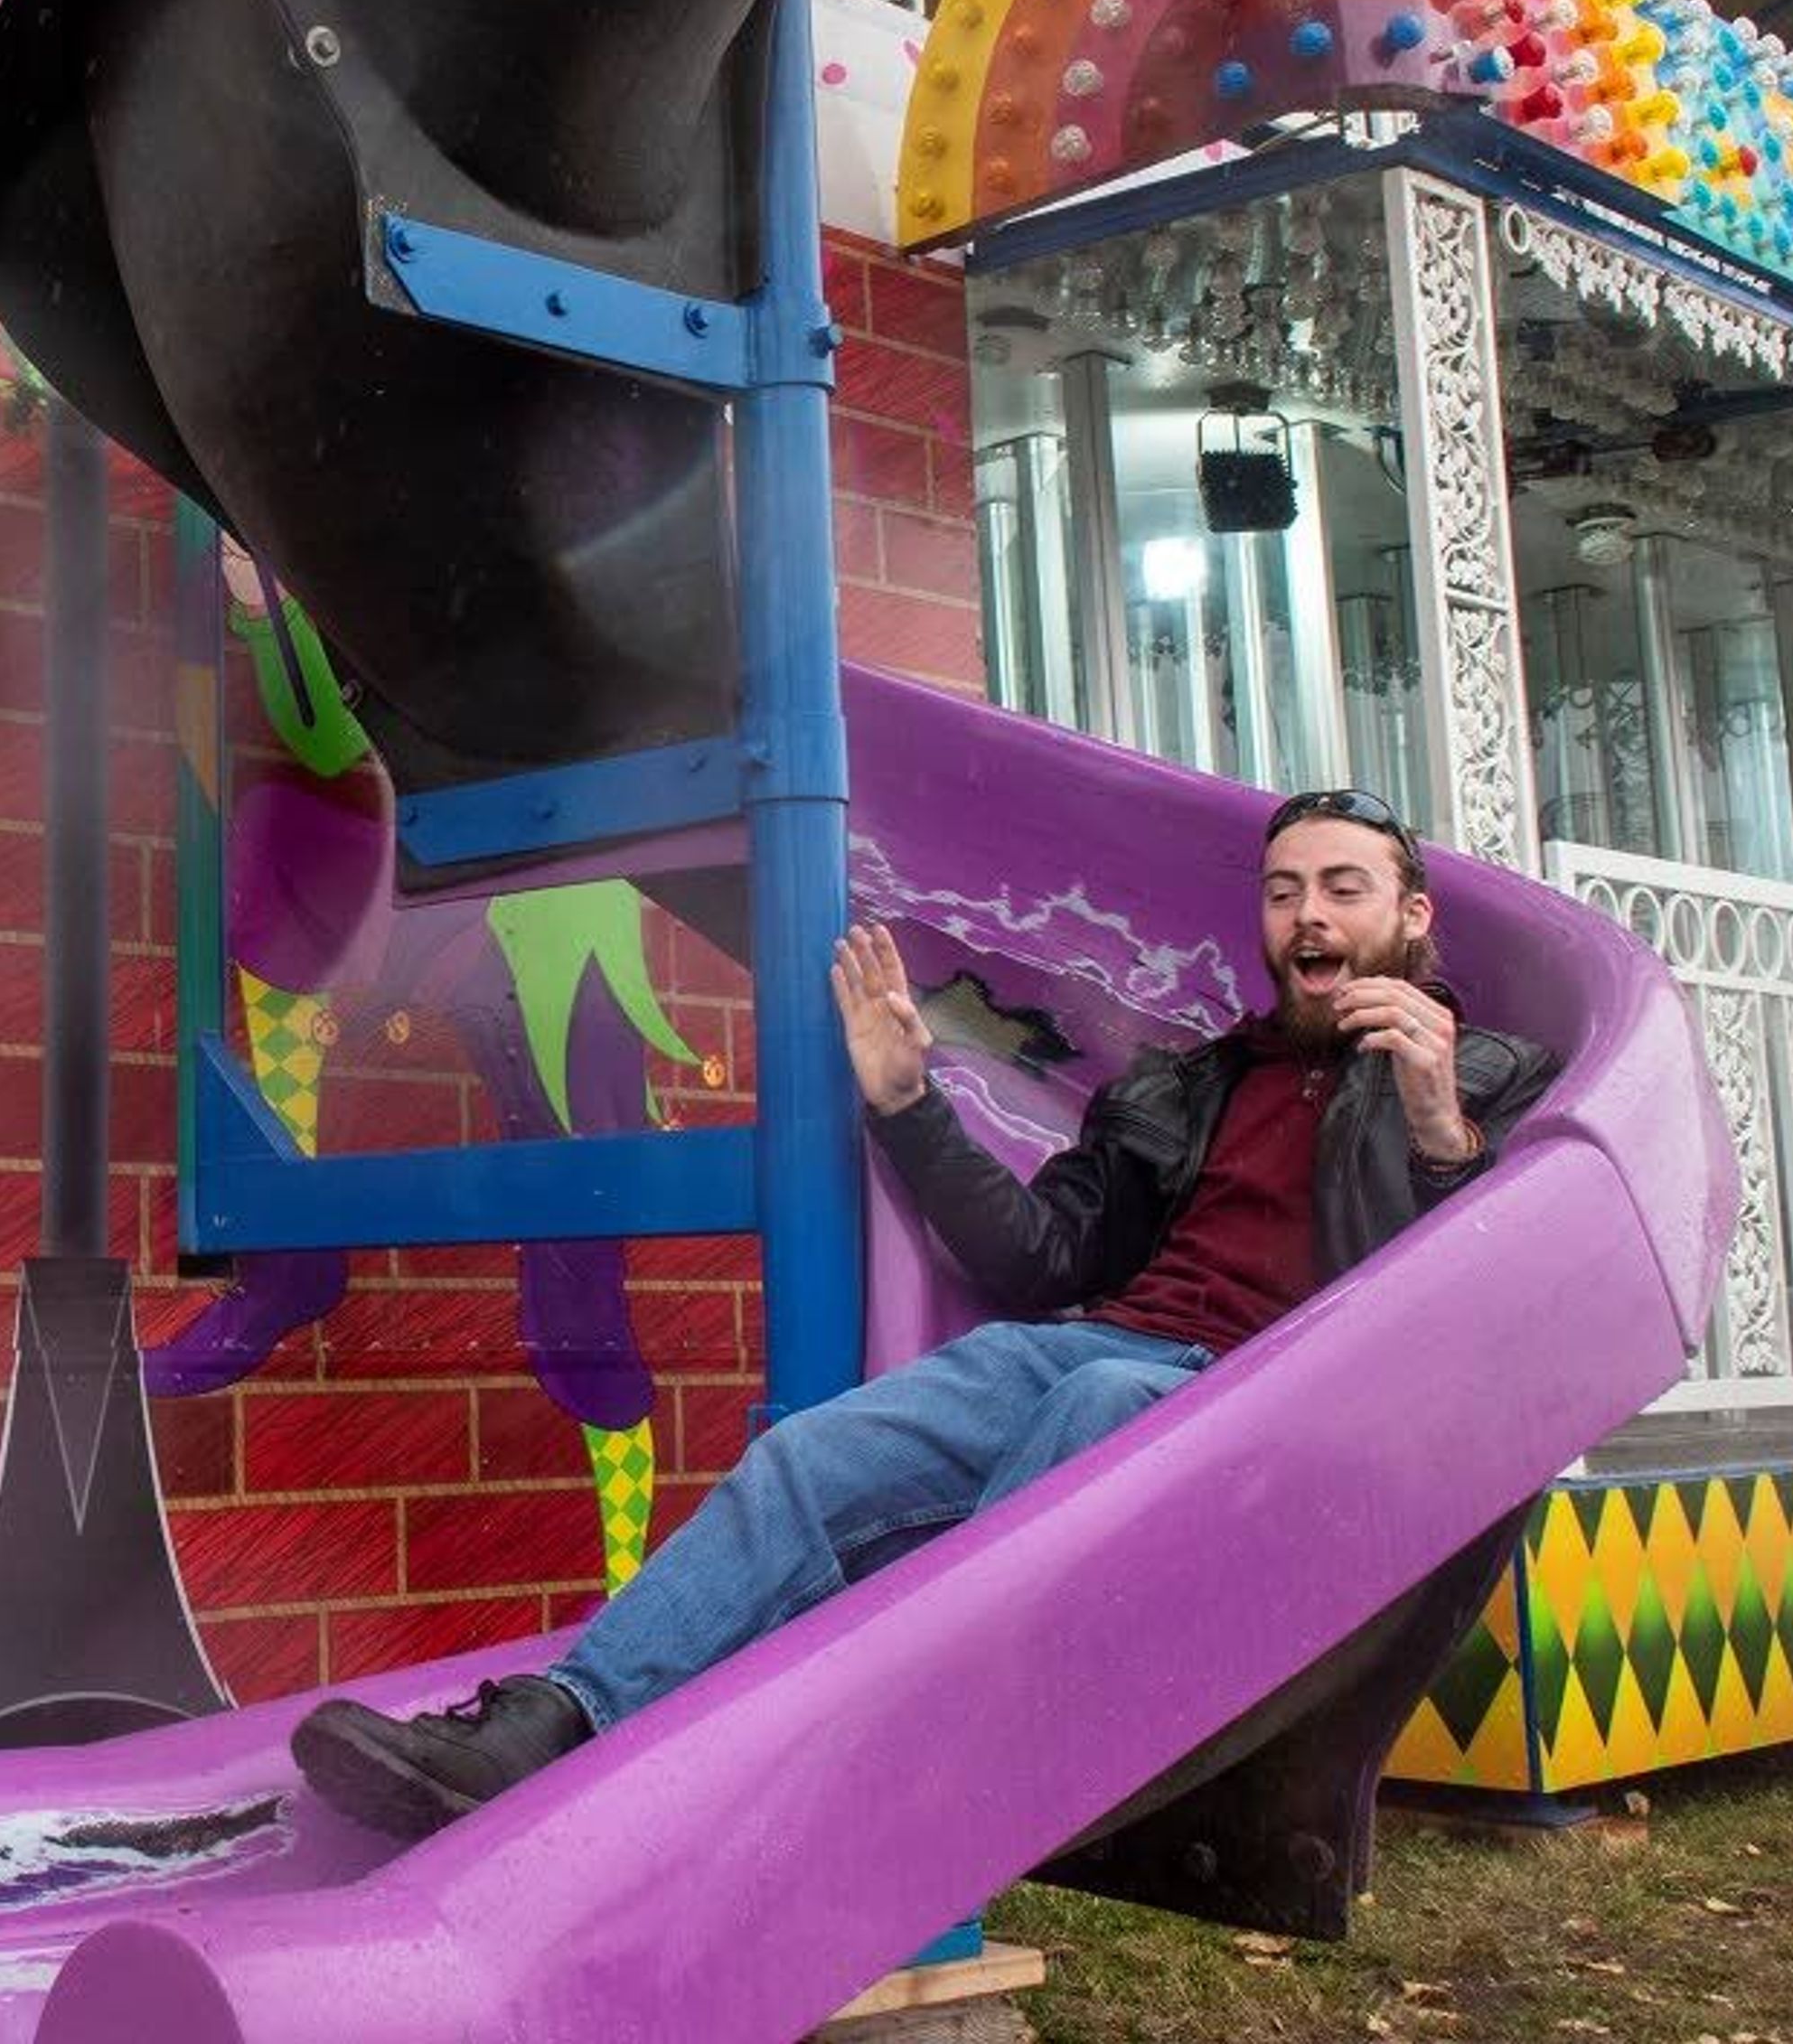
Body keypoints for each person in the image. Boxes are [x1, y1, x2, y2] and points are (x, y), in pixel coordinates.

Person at [292, 788, 1563, 1842]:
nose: (1309, 915)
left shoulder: (1487, 1078)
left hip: (1256, 1399)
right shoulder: (1188, 1084)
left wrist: (1444, 1131)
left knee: (1095, 1406)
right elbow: (1036, 1259)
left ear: (1411, 914)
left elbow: (1481, 1323)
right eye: (1285, 891)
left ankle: (865, 1774)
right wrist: (907, 1102)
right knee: (810, 1458)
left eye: (1344, 887)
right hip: (1097, 1347)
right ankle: (546, 1729)